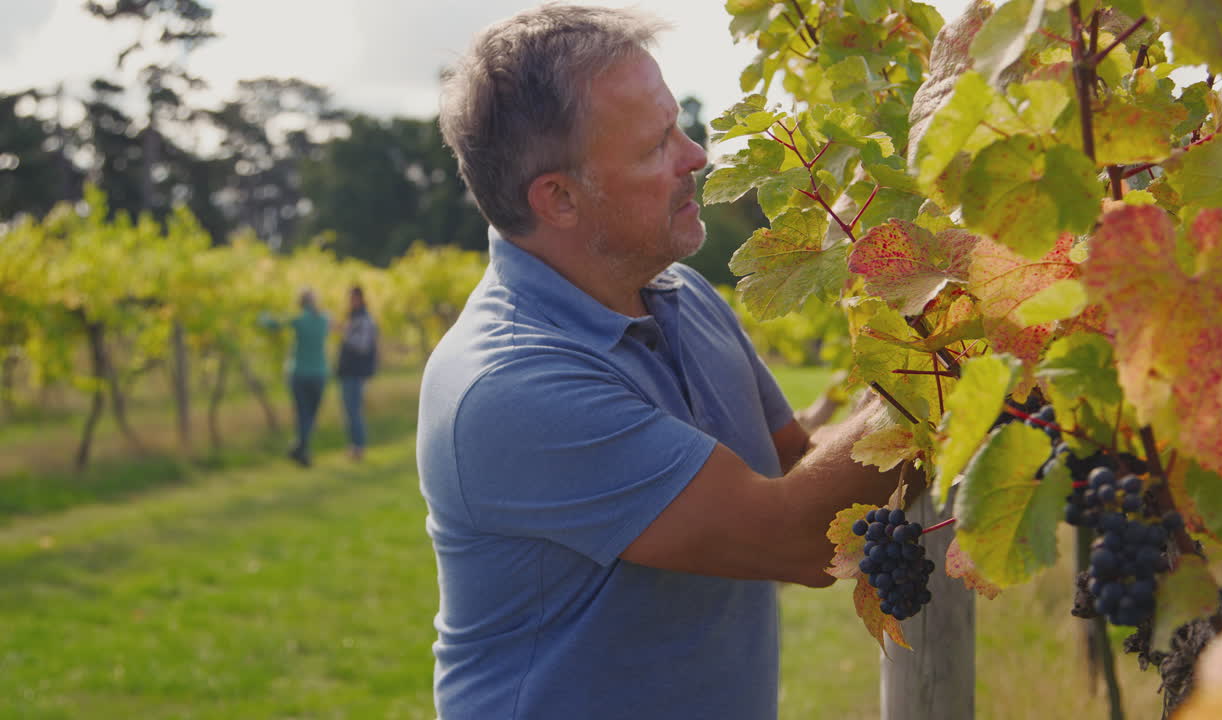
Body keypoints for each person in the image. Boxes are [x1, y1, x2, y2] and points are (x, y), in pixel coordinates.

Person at [418, 6, 919, 719]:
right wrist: (940, 365)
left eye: (680, 123)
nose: (697, 156)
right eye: (656, 145)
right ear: (558, 198)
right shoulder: (511, 388)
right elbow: (799, 537)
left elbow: (799, 467)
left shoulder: (680, 296)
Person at [262, 288, 329, 467]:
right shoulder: (324, 319)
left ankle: (300, 449)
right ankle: (301, 450)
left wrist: (263, 315)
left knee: (302, 414)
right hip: (319, 374)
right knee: (310, 416)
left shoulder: (299, 320)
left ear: (301, 303)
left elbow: (273, 324)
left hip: (299, 373)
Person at [336, 285, 378, 461]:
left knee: (354, 411)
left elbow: (362, 345)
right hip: (348, 372)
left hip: (356, 372)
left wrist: (344, 333)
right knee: (349, 411)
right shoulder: (355, 317)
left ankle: (359, 447)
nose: (350, 301)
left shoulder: (365, 319)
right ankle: (354, 446)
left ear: (360, 299)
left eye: (353, 298)